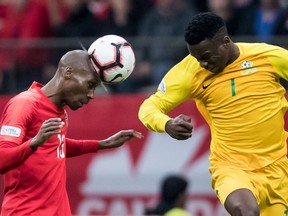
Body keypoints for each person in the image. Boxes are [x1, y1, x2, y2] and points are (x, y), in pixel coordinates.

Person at [138, 12, 288, 216]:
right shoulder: (190, 72)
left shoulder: (267, 57)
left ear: (225, 42)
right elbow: (148, 108)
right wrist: (167, 124)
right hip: (232, 168)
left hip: (278, 169)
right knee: (246, 210)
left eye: (206, 57)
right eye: (196, 58)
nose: (202, 64)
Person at [0, 49, 143, 215]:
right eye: (90, 85)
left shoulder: (59, 110)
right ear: (68, 72)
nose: (91, 95)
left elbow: (54, 145)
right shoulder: (24, 104)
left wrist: (102, 144)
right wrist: (33, 143)